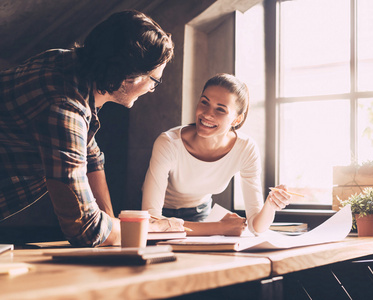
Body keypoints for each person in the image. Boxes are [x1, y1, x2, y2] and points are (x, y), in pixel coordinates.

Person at [0, 10, 184, 247]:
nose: (152, 89)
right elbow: (86, 228)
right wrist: (148, 228)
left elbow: (90, 155)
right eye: (155, 81)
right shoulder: (65, 107)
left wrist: (110, 220)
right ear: (130, 76)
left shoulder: (65, 63)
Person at [142, 73, 292, 236]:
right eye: (204, 102)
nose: (207, 114)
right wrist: (220, 227)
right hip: (162, 214)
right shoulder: (169, 143)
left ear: (236, 120)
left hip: (201, 215)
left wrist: (270, 204)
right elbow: (151, 222)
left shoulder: (246, 149)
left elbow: (256, 227)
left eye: (220, 109)